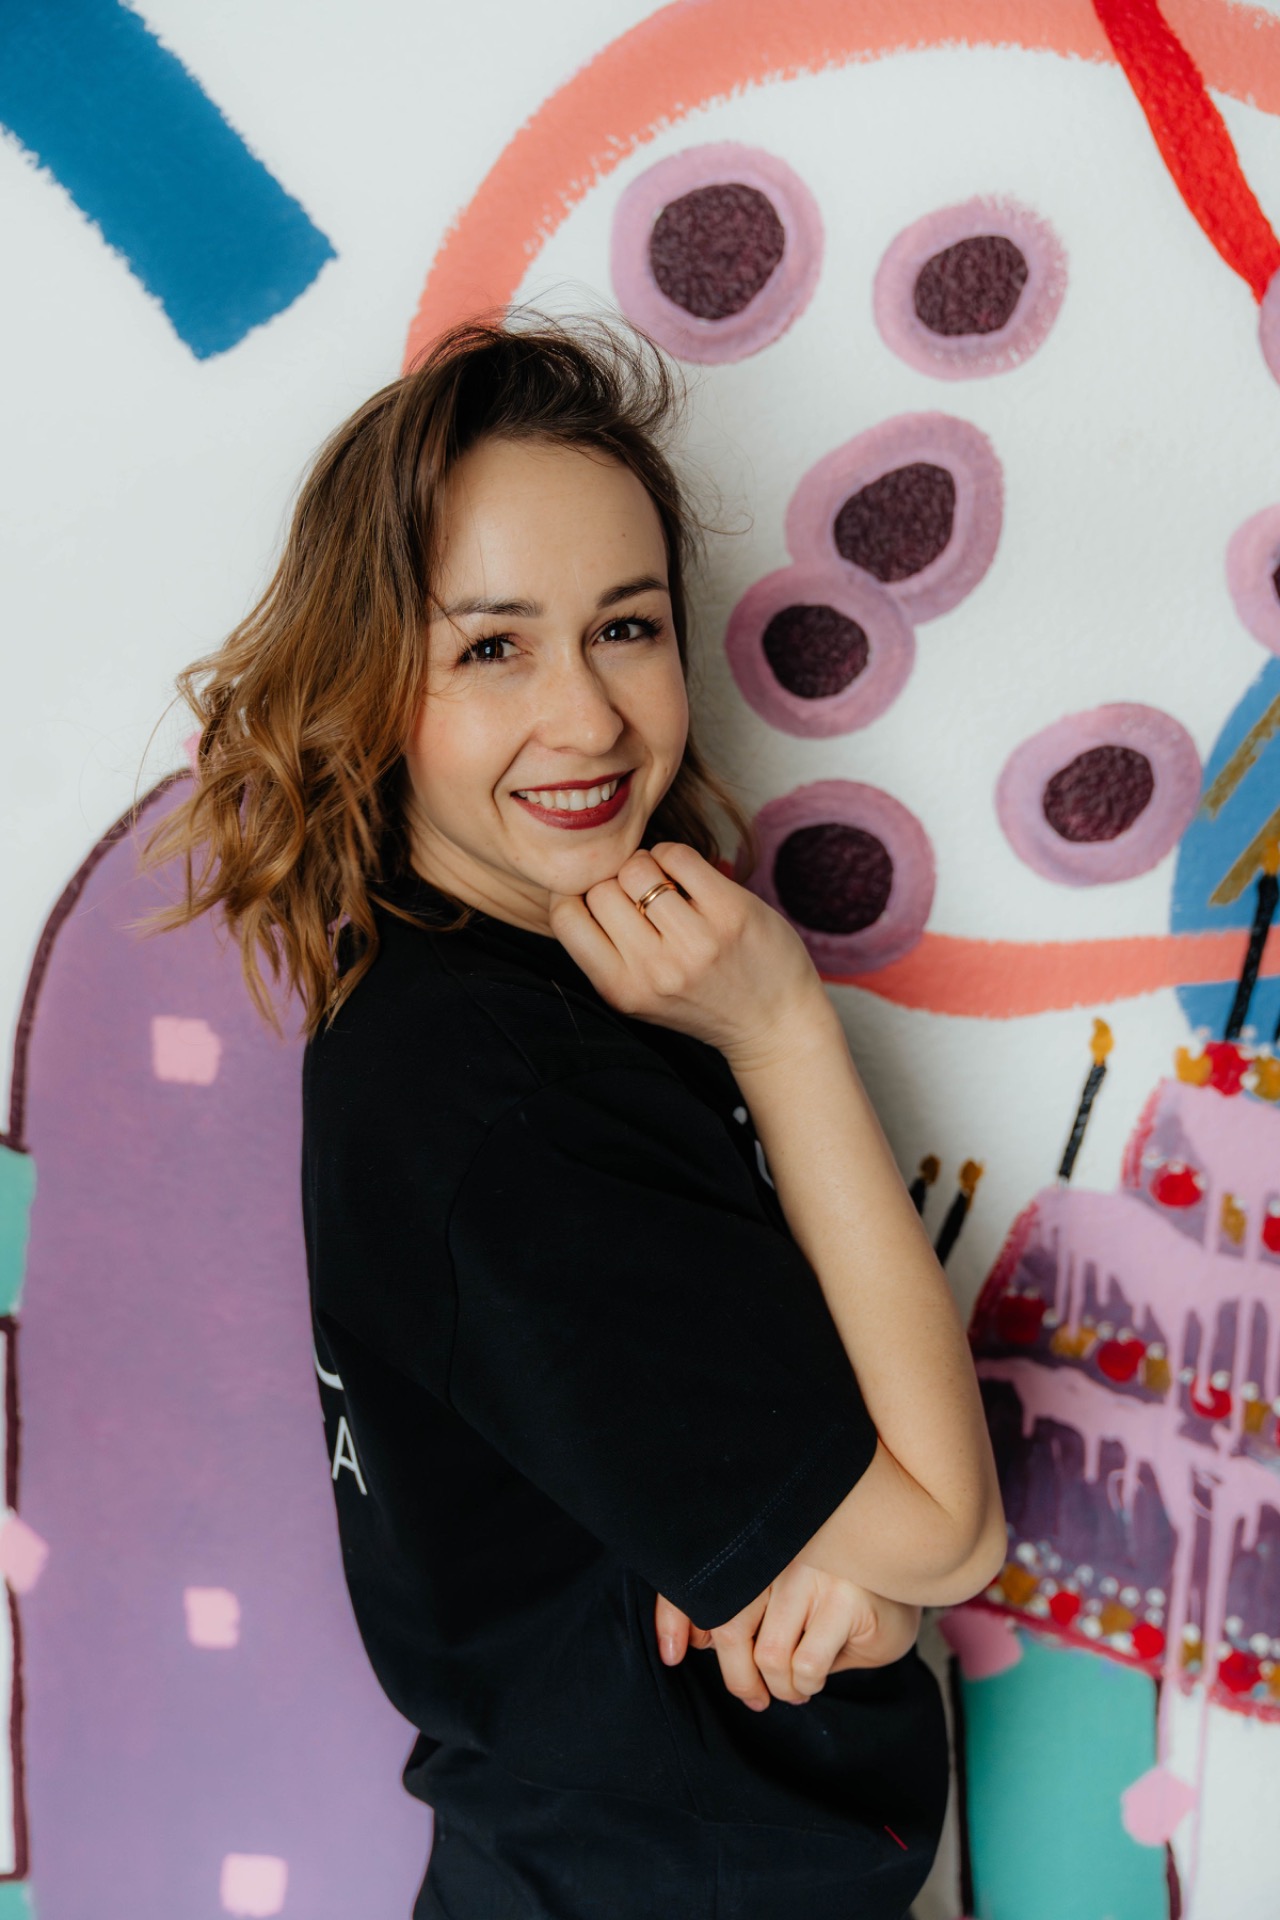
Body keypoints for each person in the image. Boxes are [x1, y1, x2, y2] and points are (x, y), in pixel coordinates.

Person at [144, 315, 1005, 1919]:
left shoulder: (497, 988)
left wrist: (852, 1571)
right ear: (372, 686)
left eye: (626, 626)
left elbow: (806, 1476)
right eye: (493, 648)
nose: (592, 718)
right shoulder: (502, 1092)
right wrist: (786, 1031)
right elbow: (950, 1528)